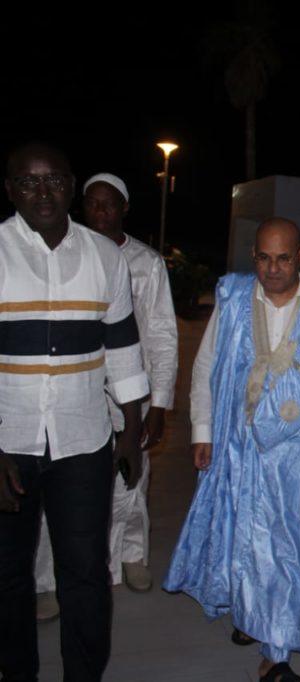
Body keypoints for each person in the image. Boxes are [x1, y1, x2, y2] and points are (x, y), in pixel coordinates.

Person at [164, 218, 300, 682]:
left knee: (291, 548)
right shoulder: (234, 299)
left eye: (283, 258)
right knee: (243, 537)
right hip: (240, 448)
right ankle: (250, 614)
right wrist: (202, 429)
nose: (273, 268)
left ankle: (276, 652)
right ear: (254, 257)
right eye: (264, 258)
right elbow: (206, 364)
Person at [0, 143, 148, 682]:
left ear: (71, 185)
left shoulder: (105, 256)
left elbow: (124, 349)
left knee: (85, 574)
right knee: (8, 576)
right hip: (8, 444)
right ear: (10, 189)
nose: (42, 192)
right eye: (28, 182)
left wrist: (131, 431)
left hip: (84, 442)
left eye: (54, 180)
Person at [34, 173, 178, 622]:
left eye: (108, 204)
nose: (99, 211)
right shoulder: (63, 254)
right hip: (74, 391)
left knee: (130, 481)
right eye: (92, 203)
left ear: (124, 208)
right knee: (60, 486)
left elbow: (162, 334)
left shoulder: (146, 263)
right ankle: (49, 580)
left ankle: (131, 555)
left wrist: (159, 402)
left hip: (130, 392)